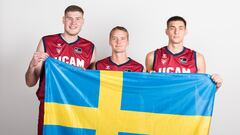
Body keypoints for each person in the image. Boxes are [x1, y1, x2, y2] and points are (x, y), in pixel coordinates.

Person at [25, 5, 96, 135]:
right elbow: (30, 83)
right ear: (63, 20)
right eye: (69, 18)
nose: (73, 23)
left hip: (77, 109)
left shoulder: (89, 47)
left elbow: (92, 86)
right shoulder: (47, 41)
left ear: (83, 21)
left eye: (77, 19)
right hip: (50, 106)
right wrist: (32, 65)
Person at [145, 16, 222, 89]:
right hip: (160, 102)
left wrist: (216, 85)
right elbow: (149, 88)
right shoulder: (152, 56)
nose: (176, 32)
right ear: (166, 31)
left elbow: (200, 91)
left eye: (180, 28)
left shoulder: (197, 58)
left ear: (185, 31)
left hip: (188, 103)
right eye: (172, 28)